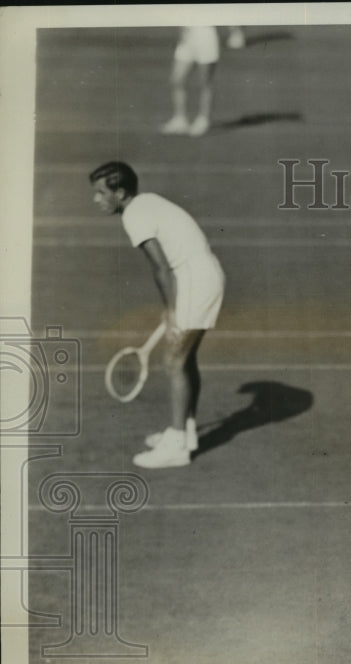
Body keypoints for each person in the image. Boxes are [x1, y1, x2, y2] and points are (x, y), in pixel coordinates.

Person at [89, 161, 225, 469]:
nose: (96, 200)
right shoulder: (146, 202)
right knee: (185, 357)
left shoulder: (135, 216)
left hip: (194, 279)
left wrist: (171, 310)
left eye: (100, 193)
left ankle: (176, 446)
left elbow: (161, 267)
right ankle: (186, 431)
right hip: (204, 274)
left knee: (174, 360)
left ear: (120, 192)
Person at [161, 26, 220, 137]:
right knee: (177, 79)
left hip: (205, 36)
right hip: (186, 37)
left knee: (205, 81)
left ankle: (203, 120)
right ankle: (180, 119)